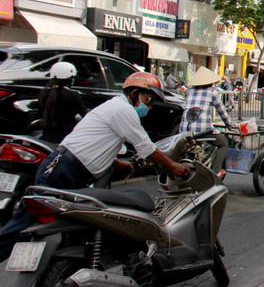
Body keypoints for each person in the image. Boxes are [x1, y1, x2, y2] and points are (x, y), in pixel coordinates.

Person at [1, 72, 190, 261]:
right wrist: (173, 166)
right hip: (63, 170)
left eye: (153, 102)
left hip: (68, 170)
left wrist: (116, 163)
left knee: (77, 226)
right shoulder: (123, 110)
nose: (150, 106)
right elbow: (146, 147)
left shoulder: (114, 108)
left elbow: (94, 141)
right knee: (23, 226)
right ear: (134, 93)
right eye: (149, 99)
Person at [182, 67, 235, 179]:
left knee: (192, 144)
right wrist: (230, 125)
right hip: (202, 129)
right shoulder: (212, 92)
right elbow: (222, 111)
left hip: (184, 128)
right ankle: (216, 173)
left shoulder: (190, 91)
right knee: (223, 143)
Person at [37, 62, 89, 144]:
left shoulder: (43, 92)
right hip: (65, 139)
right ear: (70, 78)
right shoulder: (73, 95)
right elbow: (85, 116)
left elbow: (40, 113)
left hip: (45, 138)